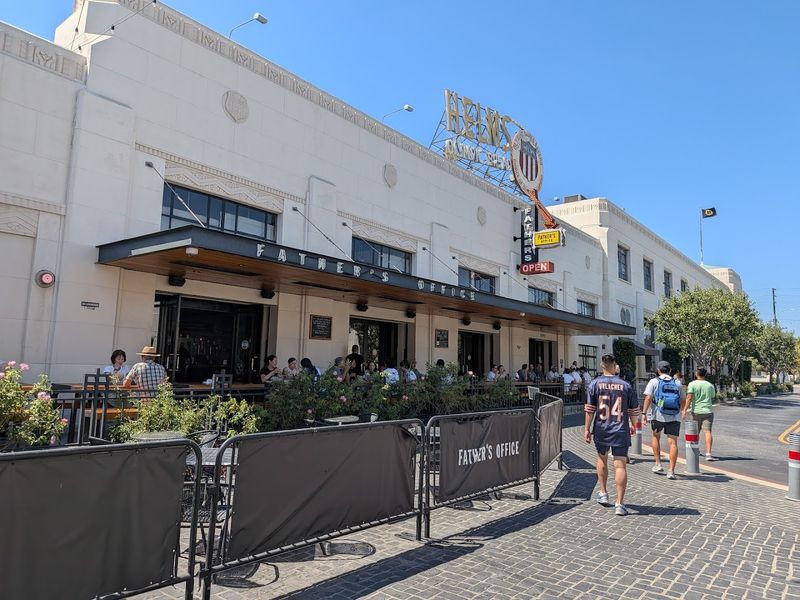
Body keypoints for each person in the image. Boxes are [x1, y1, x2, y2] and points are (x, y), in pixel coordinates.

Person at [584, 353, 640, 516]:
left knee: (602, 458)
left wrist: (587, 428)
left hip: (602, 428)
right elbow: (633, 410)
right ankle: (620, 504)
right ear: (615, 366)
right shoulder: (626, 385)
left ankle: (603, 492)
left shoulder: (594, 384)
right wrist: (633, 425)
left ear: (602, 365)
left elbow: (589, 410)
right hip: (620, 428)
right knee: (620, 465)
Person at [642, 360, 686, 479]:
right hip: (674, 416)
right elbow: (683, 399)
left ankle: (658, 464)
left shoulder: (654, 381)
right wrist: (681, 411)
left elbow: (648, 398)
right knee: (673, 443)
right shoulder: (677, 383)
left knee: (656, 437)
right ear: (670, 370)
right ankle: (671, 471)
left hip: (658, 415)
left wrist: (644, 413)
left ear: (658, 370)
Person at [683, 367, 717, 460]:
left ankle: (695, 451)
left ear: (696, 374)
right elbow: (712, 396)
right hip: (708, 411)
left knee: (695, 432)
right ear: (705, 374)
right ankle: (708, 454)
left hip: (695, 411)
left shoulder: (692, 384)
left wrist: (684, 410)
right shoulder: (710, 385)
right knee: (708, 432)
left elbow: (689, 398)